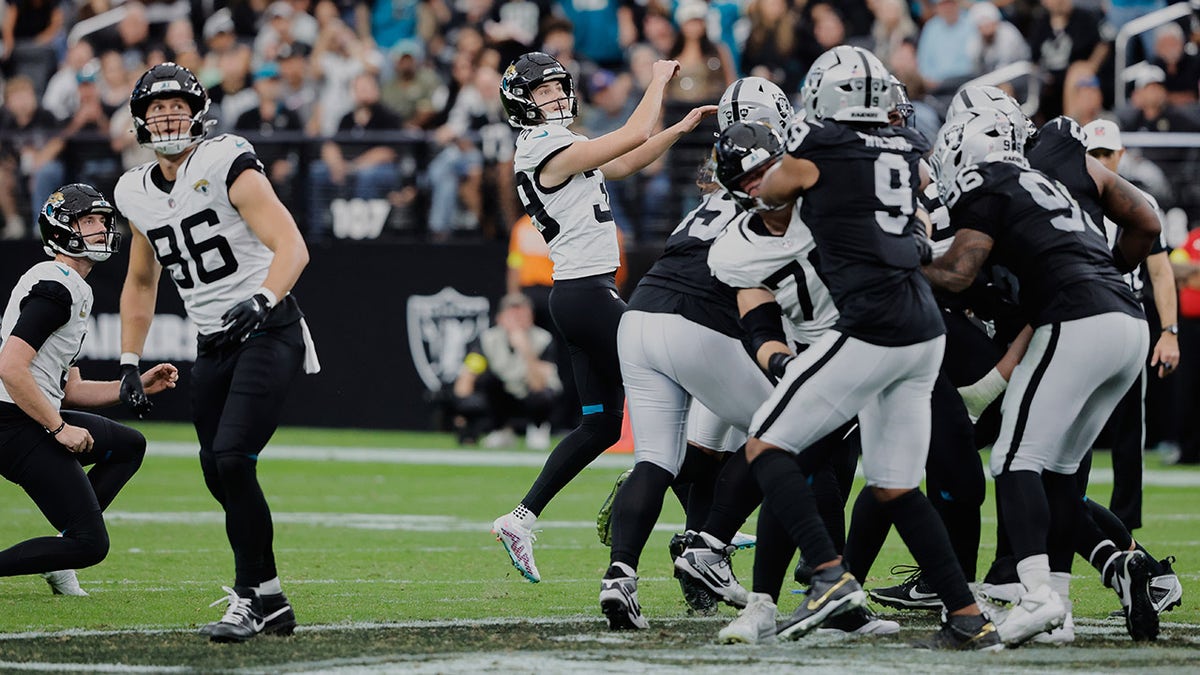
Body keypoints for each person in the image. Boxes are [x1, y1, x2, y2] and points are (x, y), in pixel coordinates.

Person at [746, 46, 999, 649]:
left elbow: (768, 191)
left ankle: (829, 575)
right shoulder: (909, 145)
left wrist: (757, 170)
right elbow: (919, 225)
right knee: (894, 484)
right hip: (923, 331)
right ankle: (967, 614)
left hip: (873, 322)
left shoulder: (820, 145)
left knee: (765, 443)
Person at [926, 107, 1161, 644]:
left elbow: (960, 272)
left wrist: (904, 260)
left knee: (1013, 459)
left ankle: (1034, 595)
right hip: (1127, 318)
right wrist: (1102, 270)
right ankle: (1058, 606)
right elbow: (1147, 219)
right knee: (1057, 470)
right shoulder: (1050, 172)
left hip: (1076, 318)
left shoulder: (986, 178)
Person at [113, 62, 320, 643]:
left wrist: (261, 298)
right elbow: (140, 282)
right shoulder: (134, 190)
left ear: (198, 111)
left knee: (232, 457)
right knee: (217, 469)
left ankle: (248, 599)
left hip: (268, 328)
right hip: (212, 342)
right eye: (156, 109)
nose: (167, 115)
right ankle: (272, 598)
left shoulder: (225, 159)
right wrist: (129, 360)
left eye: (177, 105)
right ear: (140, 121)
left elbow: (292, 245)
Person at [491, 51, 714, 584]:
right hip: (587, 295)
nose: (555, 97)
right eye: (542, 92)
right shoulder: (546, 145)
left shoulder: (554, 146)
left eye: (556, 88)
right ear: (522, 103)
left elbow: (624, 161)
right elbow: (633, 130)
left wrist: (678, 129)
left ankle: (520, 519)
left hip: (576, 296)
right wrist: (659, 80)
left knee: (601, 424)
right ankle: (706, 533)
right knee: (674, 383)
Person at [0, 184, 177, 597]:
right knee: (90, 545)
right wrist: (59, 428)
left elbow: (71, 389)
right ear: (62, 229)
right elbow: (10, 367)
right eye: (90, 220)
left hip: (24, 413)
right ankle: (68, 552)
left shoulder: (71, 285)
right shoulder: (57, 287)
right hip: (12, 421)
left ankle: (61, 551)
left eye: (102, 220)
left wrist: (132, 385)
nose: (101, 228)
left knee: (129, 445)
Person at [1083, 118, 1179, 531]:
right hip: (1081, 318)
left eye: (1108, 153)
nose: (1103, 160)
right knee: (1072, 425)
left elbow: (1160, 272)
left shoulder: (1139, 203)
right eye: (1095, 154)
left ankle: (1125, 527)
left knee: (1127, 430)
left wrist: (1170, 332)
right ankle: (1070, 510)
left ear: (1120, 155)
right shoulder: (1070, 198)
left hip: (1126, 315)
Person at [453, 293, 562, 450]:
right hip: (501, 398)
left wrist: (525, 350)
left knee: (544, 396)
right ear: (500, 318)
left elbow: (539, 385)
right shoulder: (487, 339)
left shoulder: (543, 339)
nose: (517, 322)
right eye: (512, 317)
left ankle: (538, 428)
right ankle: (500, 429)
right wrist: (462, 411)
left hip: (529, 394)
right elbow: (466, 378)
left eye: (522, 317)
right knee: (481, 388)